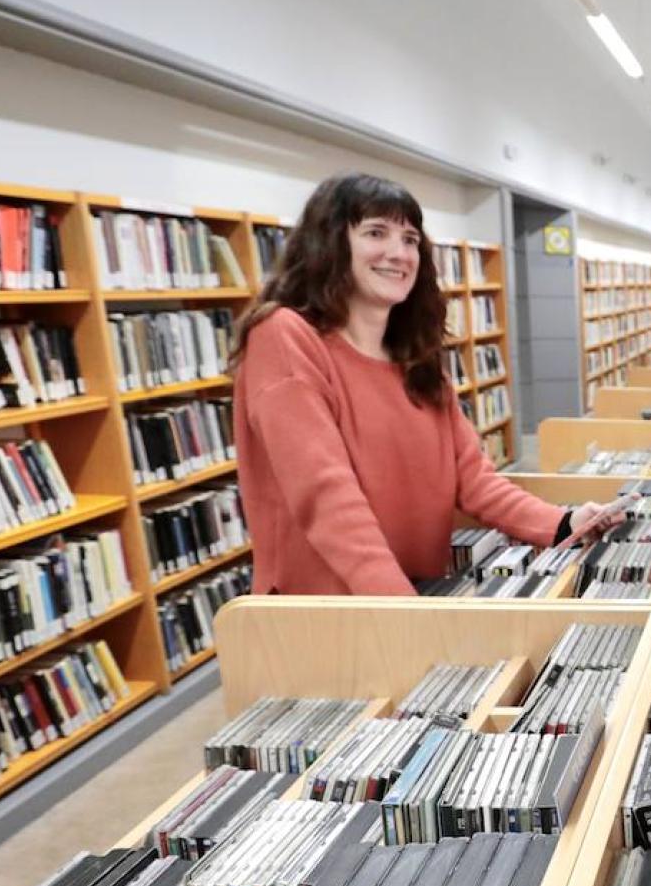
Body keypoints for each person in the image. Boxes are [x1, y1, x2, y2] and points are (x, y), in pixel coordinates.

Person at [232, 172, 628, 595]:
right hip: (332, 617)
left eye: (409, 238)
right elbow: (326, 498)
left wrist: (564, 522)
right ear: (328, 243)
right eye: (375, 232)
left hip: (417, 592)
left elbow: (475, 479)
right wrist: (408, 612)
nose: (398, 253)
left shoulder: (416, 360)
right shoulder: (284, 336)